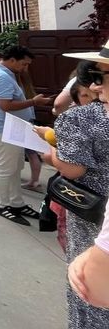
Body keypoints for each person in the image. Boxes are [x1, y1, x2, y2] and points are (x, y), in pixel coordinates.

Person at [43, 43, 109, 328]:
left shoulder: (77, 118)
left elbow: (72, 169)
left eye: (102, 76)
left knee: (89, 294)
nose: (96, 86)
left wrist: (51, 149)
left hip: (91, 216)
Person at [0, 46, 53, 225]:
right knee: (5, 168)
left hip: (9, 127)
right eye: (24, 64)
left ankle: (16, 203)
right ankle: (2, 205)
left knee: (15, 165)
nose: (25, 68)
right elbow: (5, 105)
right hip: (1, 127)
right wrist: (33, 101)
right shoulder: (1, 75)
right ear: (12, 60)